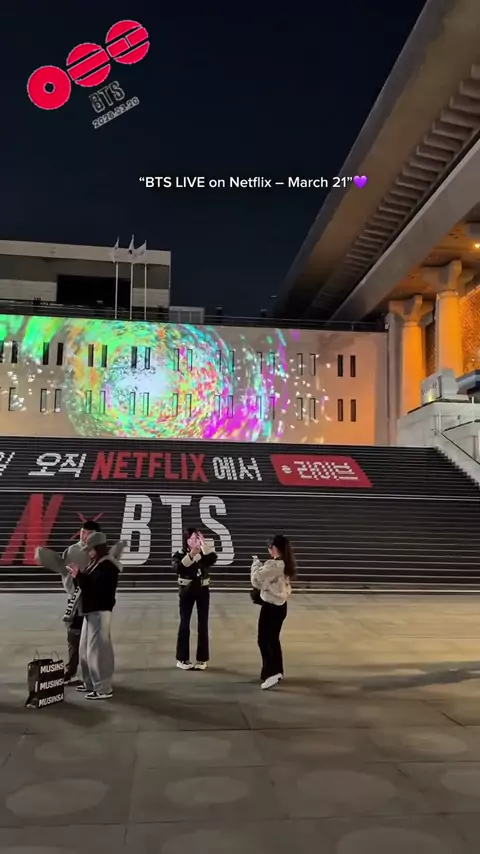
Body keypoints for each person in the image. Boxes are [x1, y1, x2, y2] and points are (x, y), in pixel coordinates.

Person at [74, 531, 122, 700]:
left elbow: (96, 588)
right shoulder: (95, 563)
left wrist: (79, 576)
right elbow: (87, 584)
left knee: (98, 651)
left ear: (98, 548)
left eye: (91, 549)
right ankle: (89, 682)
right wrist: (78, 576)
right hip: (90, 610)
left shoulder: (107, 566)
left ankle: (103, 687)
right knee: (85, 650)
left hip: (100, 611)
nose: (88, 552)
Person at [251, 534, 296, 690]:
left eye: (270, 547)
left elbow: (256, 579)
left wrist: (255, 565)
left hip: (271, 606)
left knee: (264, 640)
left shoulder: (274, 565)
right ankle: (275, 670)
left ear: (275, 548)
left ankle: (272, 673)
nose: (269, 551)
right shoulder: (286, 564)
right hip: (280, 606)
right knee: (273, 639)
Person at [172, 528, 217, 670]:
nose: (195, 541)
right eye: (193, 538)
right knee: (184, 623)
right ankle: (182, 658)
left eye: (197, 538)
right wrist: (191, 555)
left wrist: (205, 547)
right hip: (187, 590)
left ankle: (202, 659)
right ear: (186, 540)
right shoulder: (179, 554)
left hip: (203, 590)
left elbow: (212, 559)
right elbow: (178, 568)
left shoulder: (204, 553)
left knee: (203, 624)